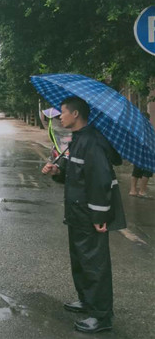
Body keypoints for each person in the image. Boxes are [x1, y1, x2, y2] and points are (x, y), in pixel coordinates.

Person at [41, 96, 126, 334]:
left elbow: (100, 180)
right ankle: (87, 301)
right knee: (80, 260)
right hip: (77, 212)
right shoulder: (78, 139)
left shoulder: (93, 142)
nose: (60, 117)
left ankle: (102, 316)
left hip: (90, 215)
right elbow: (74, 172)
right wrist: (57, 170)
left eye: (63, 112)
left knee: (94, 264)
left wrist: (99, 216)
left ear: (76, 114)